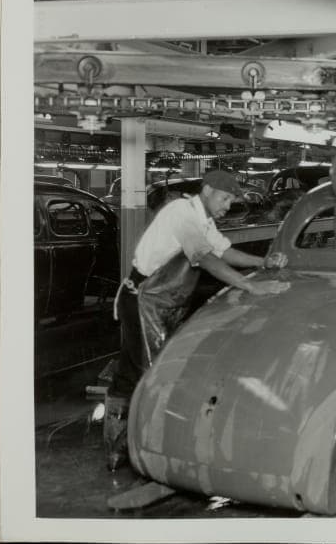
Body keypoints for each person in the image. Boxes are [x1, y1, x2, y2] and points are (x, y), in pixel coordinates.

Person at [103, 168, 284, 471]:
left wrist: (263, 263)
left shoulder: (204, 221)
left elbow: (223, 251)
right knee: (148, 376)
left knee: (137, 372)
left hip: (166, 304)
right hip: (144, 301)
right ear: (209, 190)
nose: (228, 205)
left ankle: (125, 448)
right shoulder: (181, 213)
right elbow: (205, 257)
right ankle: (133, 450)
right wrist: (251, 285)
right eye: (226, 198)